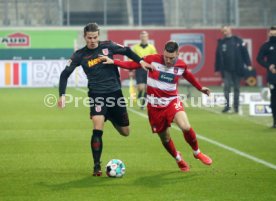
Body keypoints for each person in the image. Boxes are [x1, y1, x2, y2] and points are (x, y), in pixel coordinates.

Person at [101, 41, 212, 172]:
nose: (168, 60)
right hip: (154, 107)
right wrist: (114, 62)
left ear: (177, 54)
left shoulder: (181, 65)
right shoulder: (152, 60)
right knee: (165, 138)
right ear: (163, 52)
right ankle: (178, 159)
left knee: (185, 126)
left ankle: (197, 152)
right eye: (166, 57)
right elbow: (132, 64)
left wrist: (200, 88)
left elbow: (187, 75)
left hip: (172, 101)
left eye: (171, 58)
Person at [58, 22, 150, 176]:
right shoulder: (79, 55)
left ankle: (112, 118)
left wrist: (140, 61)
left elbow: (127, 51)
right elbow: (64, 74)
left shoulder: (109, 46)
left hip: (115, 94)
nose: (92, 40)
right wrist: (62, 95)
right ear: (84, 37)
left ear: (98, 36)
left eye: (95, 37)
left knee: (126, 132)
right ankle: (96, 166)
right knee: (97, 129)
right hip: (97, 95)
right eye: (89, 38)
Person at [215, 25, 252, 113]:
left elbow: (245, 53)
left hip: (237, 68)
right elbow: (218, 56)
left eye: (226, 30)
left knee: (236, 88)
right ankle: (227, 106)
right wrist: (217, 68)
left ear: (230, 30)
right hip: (226, 69)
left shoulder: (238, 40)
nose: (225, 32)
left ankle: (236, 107)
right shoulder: (221, 42)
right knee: (227, 87)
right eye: (223, 31)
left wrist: (248, 64)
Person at [132, 31, 157, 109]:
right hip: (139, 68)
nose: (143, 37)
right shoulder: (135, 47)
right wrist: (131, 69)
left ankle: (142, 104)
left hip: (148, 69)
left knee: (147, 88)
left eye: (145, 36)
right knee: (140, 87)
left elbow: (155, 57)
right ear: (140, 37)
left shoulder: (152, 47)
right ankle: (139, 92)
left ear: (147, 37)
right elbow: (132, 58)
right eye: (142, 36)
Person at [257, 26, 276, 128]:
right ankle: (275, 121)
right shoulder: (266, 46)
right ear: (269, 34)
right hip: (273, 76)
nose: (273, 36)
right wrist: (269, 66)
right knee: (274, 99)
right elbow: (259, 59)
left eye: (275, 34)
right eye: (272, 34)